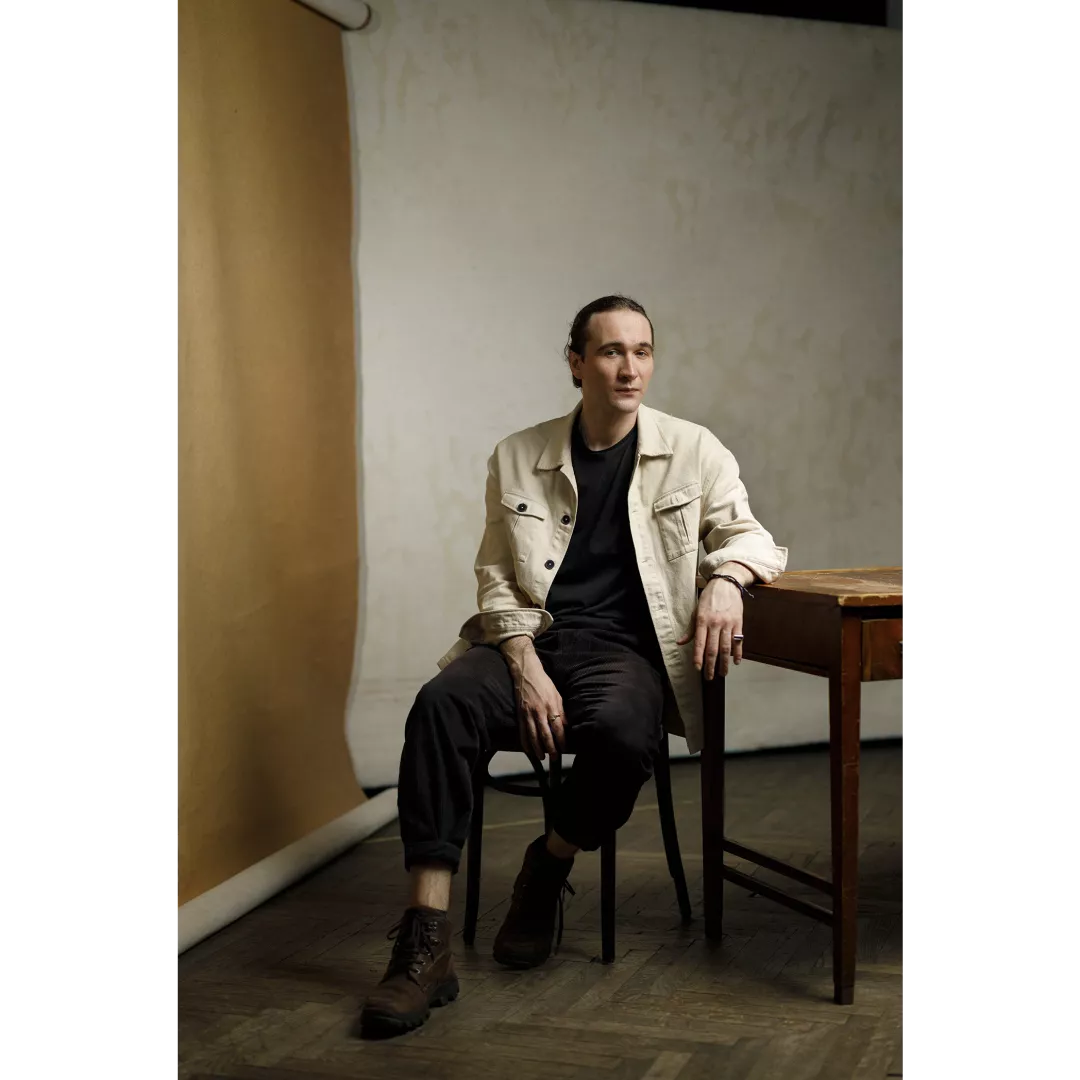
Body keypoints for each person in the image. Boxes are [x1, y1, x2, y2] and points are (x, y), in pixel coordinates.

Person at [359, 295, 787, 1036]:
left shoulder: (695, 450)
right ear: (576, 364)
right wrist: (522, 661)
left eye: (642, 351)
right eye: (612, 351)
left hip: (627, 654)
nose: (630, 368)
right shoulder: (517, 455)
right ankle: (424, 944)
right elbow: (497, 579)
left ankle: (549, 863)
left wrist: (726, 580)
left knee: (625, 733)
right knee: (440, 705)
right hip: (531, 642)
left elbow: (751, 538)